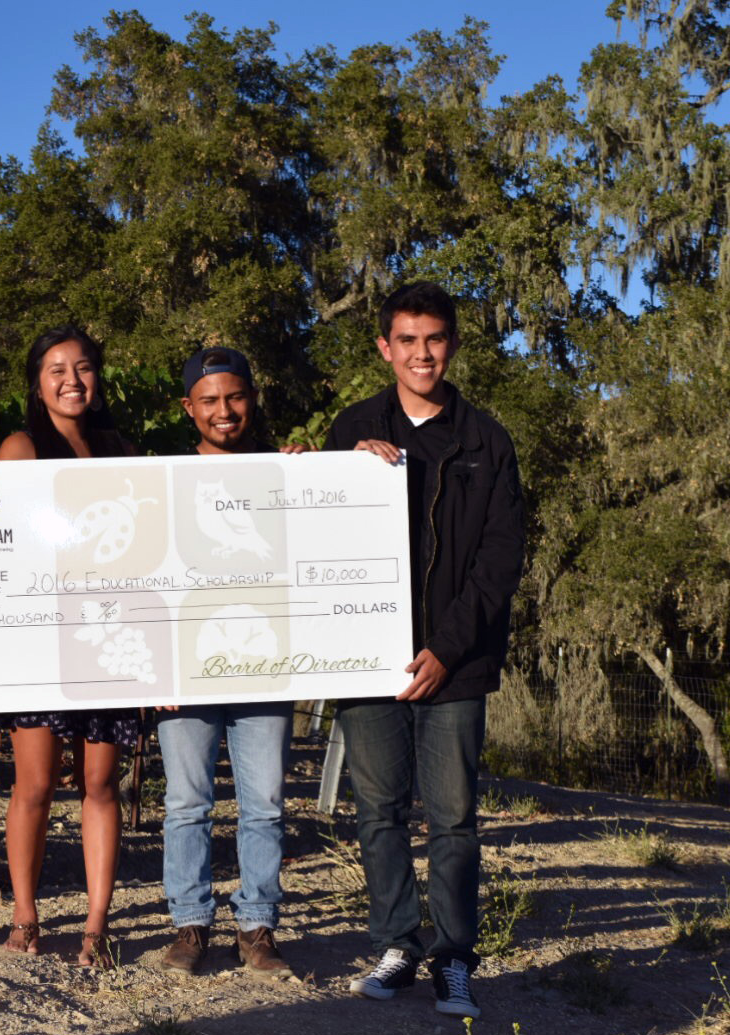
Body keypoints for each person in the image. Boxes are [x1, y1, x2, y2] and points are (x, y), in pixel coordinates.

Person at [324, 282, 525, 1018]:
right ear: (384, 347)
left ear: (453, 344)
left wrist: (446, 646)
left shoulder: (486, 440)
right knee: (377, 808)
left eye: (434, 339)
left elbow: (502, 558)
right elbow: (309, 529)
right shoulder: (352, 427)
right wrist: (335, 467)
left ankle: (455, 956)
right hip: (366, 661)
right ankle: (397, 941)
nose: (421, 354)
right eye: (406, 340)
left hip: (457, 662)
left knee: (453, 816)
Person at [0, 326, 139, 968]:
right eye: (56, 369)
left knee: (101, 785)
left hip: (109, 636)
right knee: (35, 785)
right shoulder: (21, 448)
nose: (72, 380)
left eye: (83, 367)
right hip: (40, 641)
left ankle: (95, 926)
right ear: (37, 383)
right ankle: (26, 917)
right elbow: (2, 545)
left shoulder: (123, 452)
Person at [156, 346, 303, 978]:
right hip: (186, 668)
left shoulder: (284, 474)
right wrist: (153, 666)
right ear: (189, 407)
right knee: (187, 802)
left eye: (234, 397)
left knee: (264, 802)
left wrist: (326, 477)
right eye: (209, 400)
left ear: (252, 399)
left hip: (265, 661)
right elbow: (146, 578)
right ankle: (191, 925)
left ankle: (257, 927)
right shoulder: (160, 481)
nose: (224, 411)